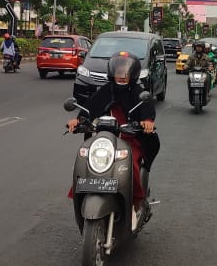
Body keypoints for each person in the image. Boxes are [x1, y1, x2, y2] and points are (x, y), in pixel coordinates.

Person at [66, 51, 159, 227]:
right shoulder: (106, 90)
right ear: (112, 72)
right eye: (118, 71)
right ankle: (83, 195)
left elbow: (146, 109)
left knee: (129, 165)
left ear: (132, 74)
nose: (122, 76)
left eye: (126, 72)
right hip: (104, 140)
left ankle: (135, 203)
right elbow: (90, 108)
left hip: (129, 139)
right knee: (85, 160)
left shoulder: (138, 92)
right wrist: (77, 120)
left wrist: (147, 122)